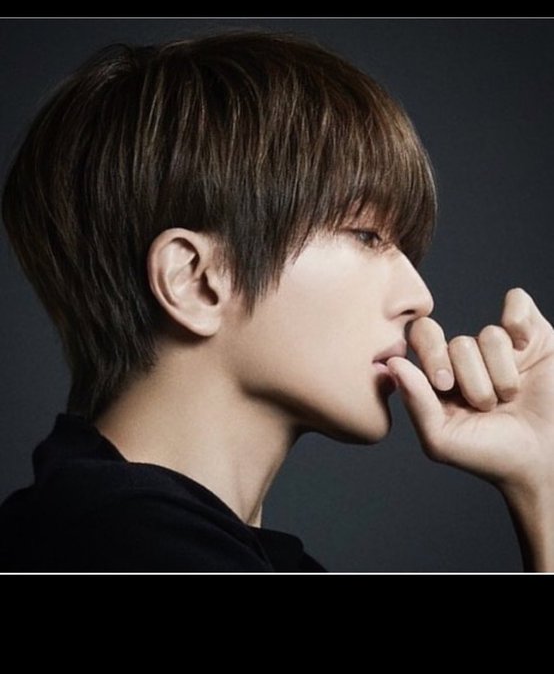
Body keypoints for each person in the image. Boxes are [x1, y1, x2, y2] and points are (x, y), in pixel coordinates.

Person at [1, 32, 553, 572]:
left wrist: (542, 480)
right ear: (196, 281)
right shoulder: (121, 551)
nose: (420, 297)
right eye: (367, 235)